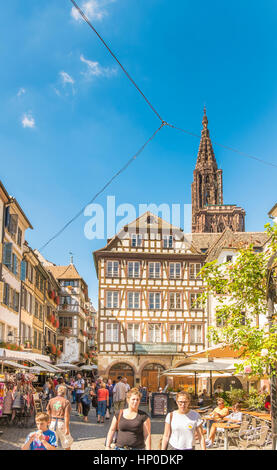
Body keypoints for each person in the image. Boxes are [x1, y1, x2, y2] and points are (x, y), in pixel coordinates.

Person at [47, 385, 74, 450]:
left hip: (52, 423)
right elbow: (66, 416)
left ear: (57, 392)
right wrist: (67, 428)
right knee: (66, 443)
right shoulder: (66, 401)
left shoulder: (51, 400)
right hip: (61, 423)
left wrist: (48, 423)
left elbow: (48, 413)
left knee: (52, 444)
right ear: (65, 393)